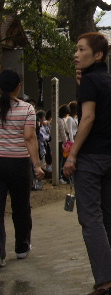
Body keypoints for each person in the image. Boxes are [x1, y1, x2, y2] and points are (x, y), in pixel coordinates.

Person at [62, 32, 111, 295]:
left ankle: (106, 280)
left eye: (81, 49)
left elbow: (87, 118)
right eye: (76, 49)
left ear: (97, 55)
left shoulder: (89, 81)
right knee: (107, 215)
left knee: (91, 218)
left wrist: (72, 154)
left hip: (91, 157)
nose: (76, 54)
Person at [0, 69, 45, 268]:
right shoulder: (27, 109)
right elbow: (29, 138)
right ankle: (21, 247)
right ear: (18, 86)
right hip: (18, 163)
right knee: (21, 207)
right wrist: (37, 165)